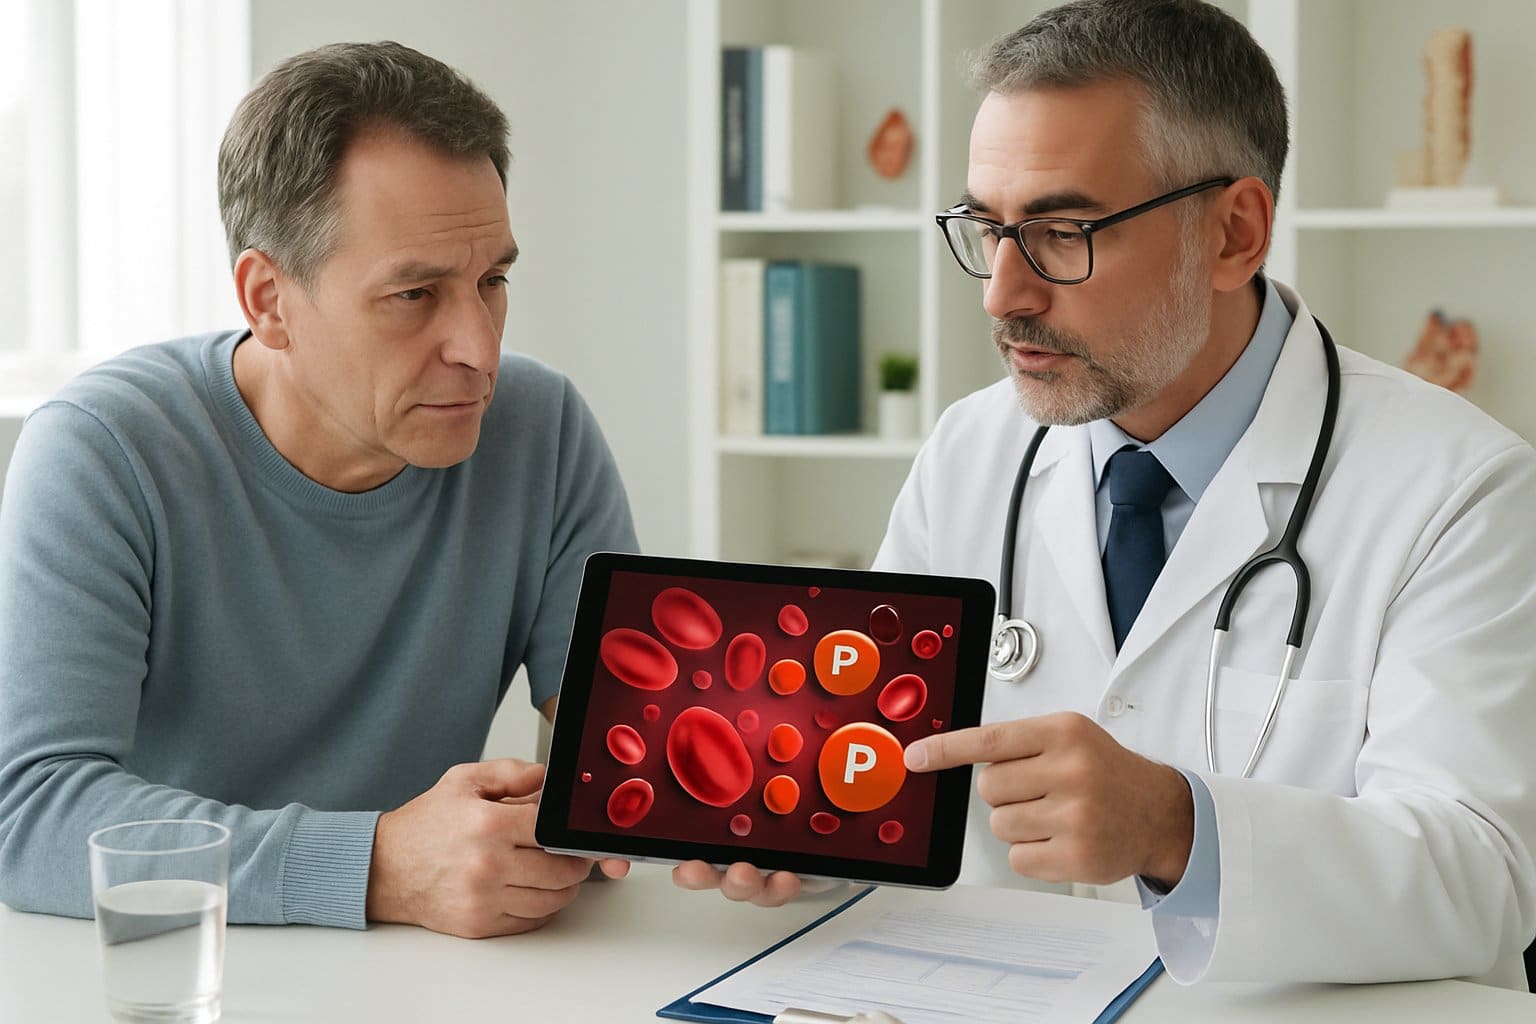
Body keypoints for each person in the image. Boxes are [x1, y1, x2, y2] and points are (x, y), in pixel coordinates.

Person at [675, 0, 1536, 991]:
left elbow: (1485, 882)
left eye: (1060, 231)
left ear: (1233, 233)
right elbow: (883, 786)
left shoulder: (1460, 490)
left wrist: (1176, 825)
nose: (1003, 292)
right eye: (987, 227)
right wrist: (803, 832)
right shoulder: (969, 452)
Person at [0, 41, 637, 938]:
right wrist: (376, 867)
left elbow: (626, 751)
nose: (480, 349)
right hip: (170, 974)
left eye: (492, 281)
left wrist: (761, 827)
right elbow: (30, 816)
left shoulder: (541, 426)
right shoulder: (103, 452)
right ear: (269, 300)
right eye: (416, 294)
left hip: (428, 983)